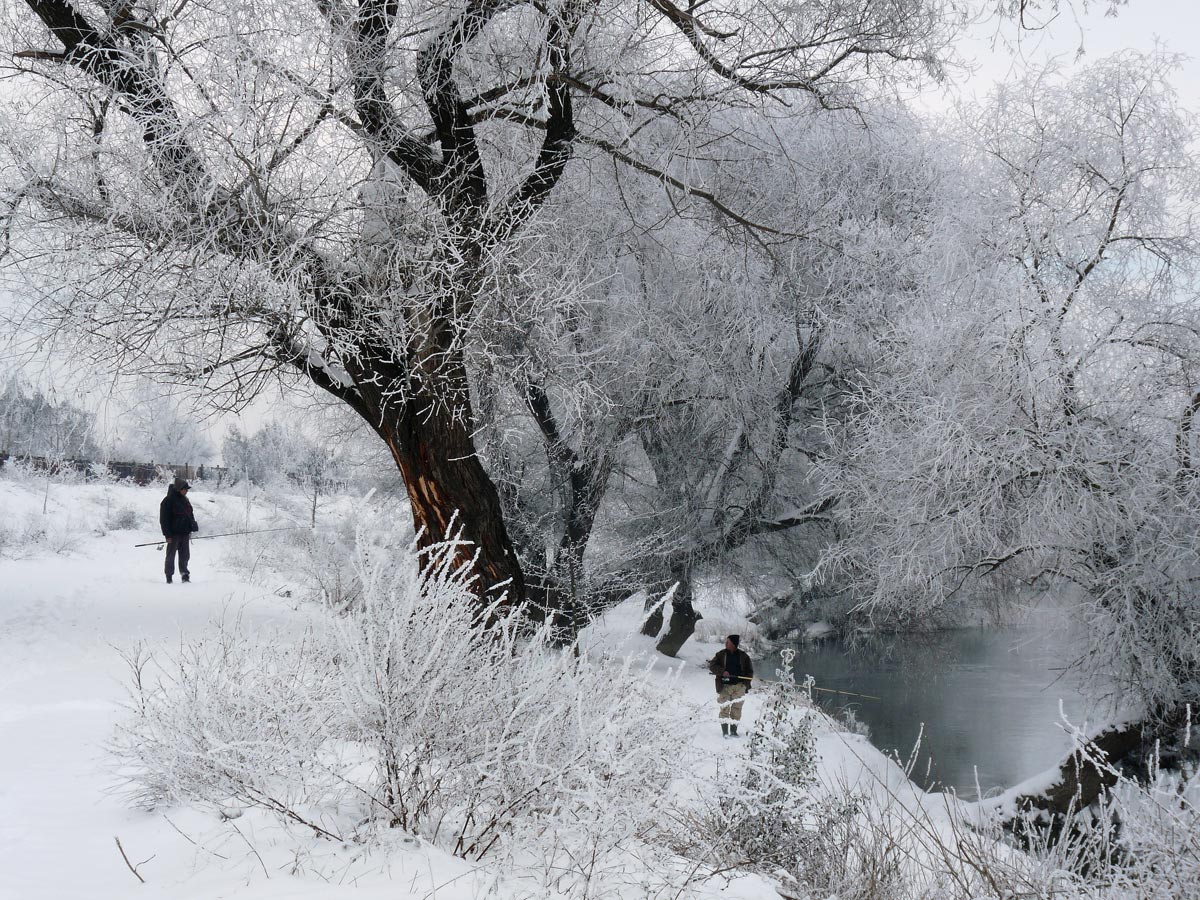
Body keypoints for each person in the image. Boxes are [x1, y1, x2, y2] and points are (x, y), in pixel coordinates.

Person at [707, 634, 753, 738]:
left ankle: (733, 731)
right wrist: (722, 672)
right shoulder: (720, 655)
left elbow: (750, 672)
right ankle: (725, 732)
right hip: (724, 686)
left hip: (739, 687)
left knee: (736, 710)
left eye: (728, 642)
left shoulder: (744, 656)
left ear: (734, 644)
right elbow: (712, 666)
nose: (726, 643)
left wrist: (745, 684)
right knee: (724, 709)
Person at [159, 477, 199, 584]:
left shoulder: (185, 500)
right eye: (185, 489)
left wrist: (192, 525)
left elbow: (190, 514)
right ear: (179, 489)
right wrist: (167, 535)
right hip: (173, 534)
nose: (186, 491)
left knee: (185, 556)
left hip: (185, 533)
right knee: (170, 556)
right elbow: (164, 520)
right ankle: (169, 576)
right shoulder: (167, 501)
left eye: (187, 489)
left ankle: (185, 575)